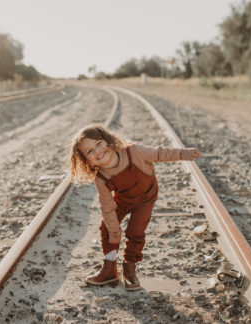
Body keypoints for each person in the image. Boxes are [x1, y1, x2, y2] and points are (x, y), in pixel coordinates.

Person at [68, 124, 201, 291]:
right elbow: (107, 207)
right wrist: (114, 230)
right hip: (124, 200)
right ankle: (109, 268)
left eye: (99, 143)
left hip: (146, 198)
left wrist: (184, 153)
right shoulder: (101, 178)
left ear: (108, 141)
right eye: (89, 151)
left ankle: (129, 269)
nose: (97, 151)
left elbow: (160, 153)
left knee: (135, 231)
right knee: (106, 228)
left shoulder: (135, 152)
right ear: (87, 161)